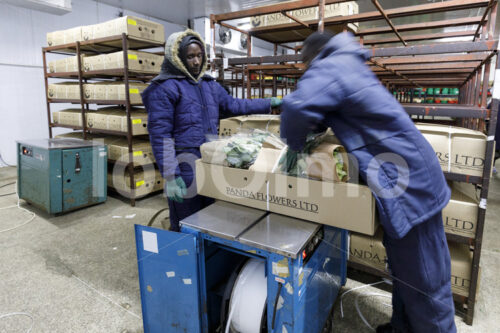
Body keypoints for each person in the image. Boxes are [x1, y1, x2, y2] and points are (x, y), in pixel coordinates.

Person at [280, 31, 456, 333]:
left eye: (305, 65)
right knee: (405, 272)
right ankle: (403, 327)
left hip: (410, 186)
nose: (307, 71)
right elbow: (337, 110)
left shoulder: (330, 67)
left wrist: (295, 145)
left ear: (313, 57)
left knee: (426, 282)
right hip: (404, 178)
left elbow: (296, 109)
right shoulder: (348, 64)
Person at [142, 29, 281, 231]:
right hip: (185, 161)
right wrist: (171, 174)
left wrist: (270, 102)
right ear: (178, 58)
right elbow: (161, 134)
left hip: (210, 156)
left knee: (209, 211)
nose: (196, 62)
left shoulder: (209, 85)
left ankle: (207, 254)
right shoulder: (165, 88)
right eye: (190, 57)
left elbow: (235, 105)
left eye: (199, 56)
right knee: (186, 215)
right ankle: (183, 251)